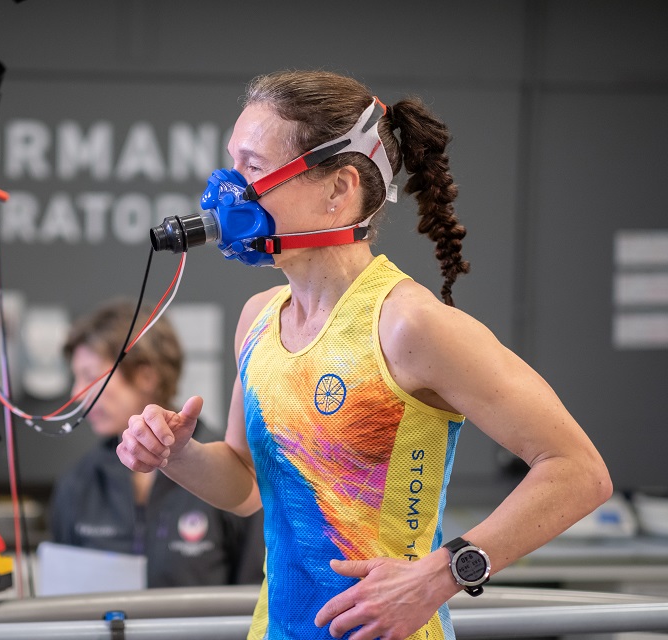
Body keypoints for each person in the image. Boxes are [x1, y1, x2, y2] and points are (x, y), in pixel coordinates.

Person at [117, 70, 611, 639]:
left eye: (253, 167)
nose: (229, 187)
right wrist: (175, 455)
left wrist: (443, 573)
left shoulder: (408, 324)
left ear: (337, 189)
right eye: (232, 161)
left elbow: (580, 472)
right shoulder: (258, 318)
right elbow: (246, 485)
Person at [48, 298, 265, 589]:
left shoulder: (231, 472)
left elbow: (254, 594)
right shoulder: (79, 483)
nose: (77, 393)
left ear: (146, 375)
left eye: (89, 377)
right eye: (75, 378)